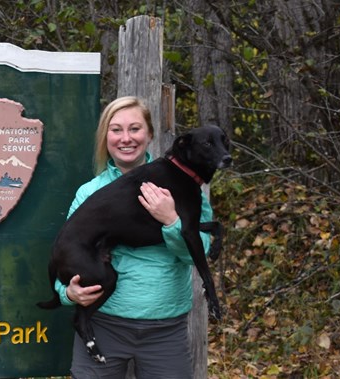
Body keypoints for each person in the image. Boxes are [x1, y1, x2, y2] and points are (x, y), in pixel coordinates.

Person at [55, 96, 212, 378]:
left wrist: (171, 220)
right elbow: (67, 254)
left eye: (135, 128)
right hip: (103, 325)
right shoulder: (89, 192)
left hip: (165, 332)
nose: (126, 138)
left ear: (150, 134)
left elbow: (198, 253)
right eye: (116, 130)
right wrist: (67, 293)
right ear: (105, 137)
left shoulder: (187, 188)